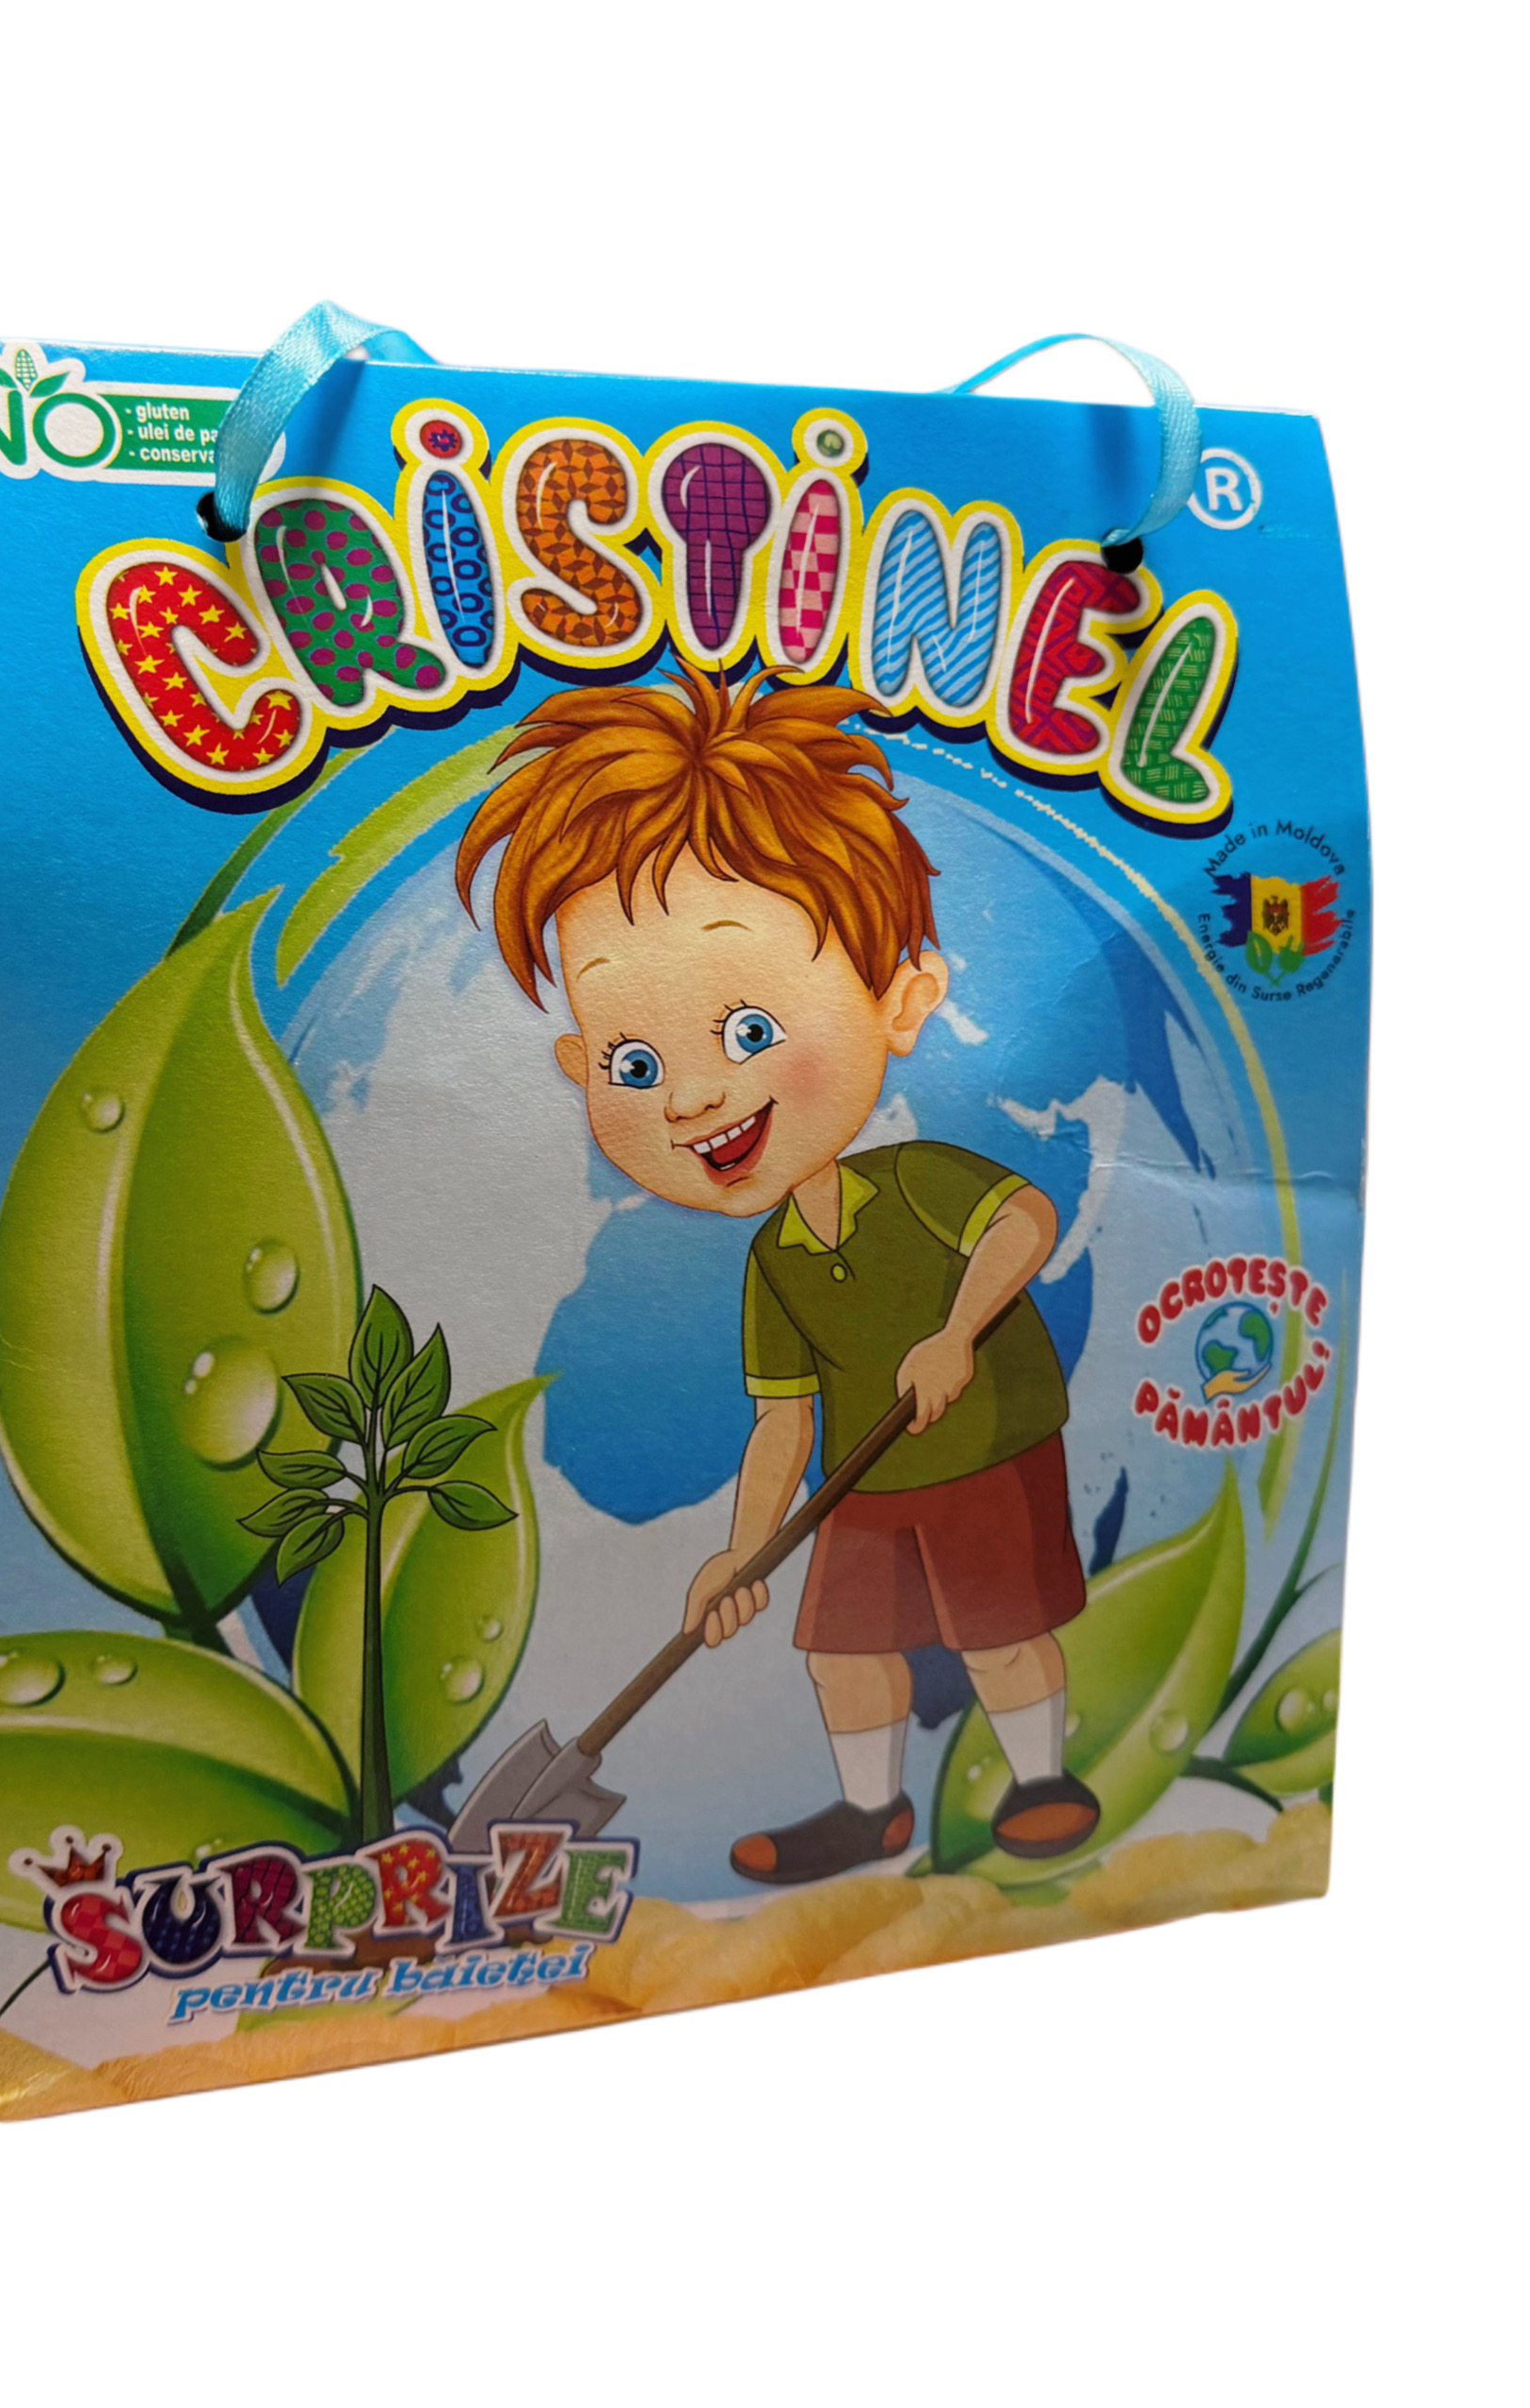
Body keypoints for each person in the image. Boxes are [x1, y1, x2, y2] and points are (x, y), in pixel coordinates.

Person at [456, 665, 1100, 1880]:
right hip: (861, 1470)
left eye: (749, 1031)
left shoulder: (916, 1181)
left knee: (997, 1630)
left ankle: (1042, 1779)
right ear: (577, 1065)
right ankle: (869, 1812)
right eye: (633, 1063)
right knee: (844, 1649)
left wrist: (956, 1333)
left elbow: (1022, 1220)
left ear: (898, 1000)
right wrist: (739, 1552)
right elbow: (779, 1423)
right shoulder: (777, 1258)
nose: (691, 1097)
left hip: (982, 1445)